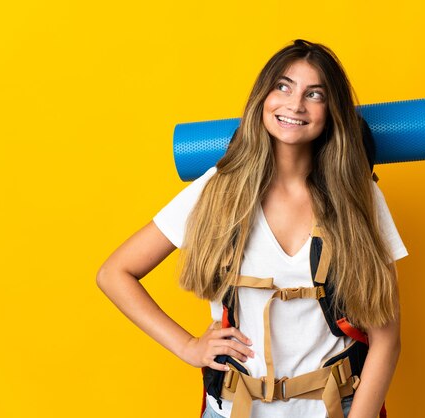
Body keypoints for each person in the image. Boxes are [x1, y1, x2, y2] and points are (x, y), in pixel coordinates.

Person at [97, 39, 408, 418]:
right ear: (263, 98)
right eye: (283, 86)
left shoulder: (358, 196)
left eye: (315, 94)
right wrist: (188, 346)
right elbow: (115, 273)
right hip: (233, 408)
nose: (295, 104)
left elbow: (387, 338)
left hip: (334, 408)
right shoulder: (218, 189)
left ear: (332, 112)